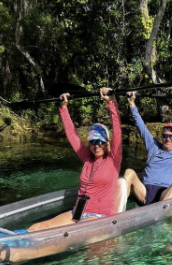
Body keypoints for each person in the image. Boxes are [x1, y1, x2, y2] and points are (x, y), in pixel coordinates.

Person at [29, 88, 122, 232]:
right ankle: (7, 245)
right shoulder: (87, 157)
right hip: (77, 213)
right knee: (38, 227)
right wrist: (63, 108)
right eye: (93, 141)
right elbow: (72, 135)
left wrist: (111, 103)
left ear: (107, 142)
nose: (96, 145)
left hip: (100, 216)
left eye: (100, 141)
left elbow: (117, 131)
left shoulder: (113, 159)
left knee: (71, 232)